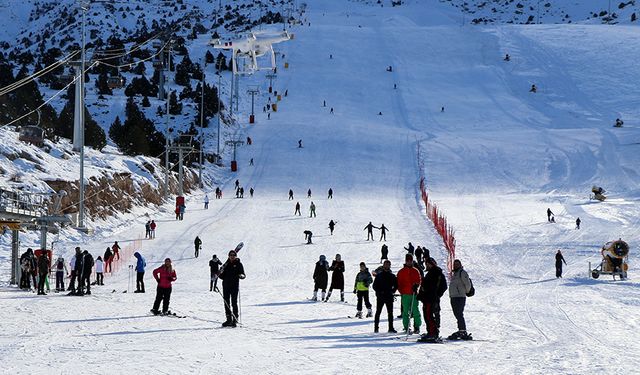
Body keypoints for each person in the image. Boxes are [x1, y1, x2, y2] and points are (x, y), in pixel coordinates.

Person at [417, 258, 448, 341]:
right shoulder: (430, 273)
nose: (427, 265)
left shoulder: (436, 273)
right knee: (427, 315)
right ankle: (431, 332)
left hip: (431, 298)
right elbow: (424, 286)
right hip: (427, 298)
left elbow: (443, 286)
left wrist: (437, 294)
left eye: (429, 264)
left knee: (430, 315)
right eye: (427, 264)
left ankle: (433, 333)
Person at [219, 250, 245, 327]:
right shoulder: (226, 265)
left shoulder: (239, 264)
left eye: (233, 255)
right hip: (226, 286)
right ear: (229, 256)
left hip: (234, 286)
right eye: (231, 255)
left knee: (234, 303)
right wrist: (221, 272)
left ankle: (235, 319)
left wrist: (241, 276)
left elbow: (242, 274)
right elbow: (221, 276)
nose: (232, 256)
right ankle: (228, 319)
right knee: (226, 303)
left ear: (235, 256)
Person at [397, 253, 422, 334]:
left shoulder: (415, 270)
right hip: (405, 294)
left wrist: (416, 286)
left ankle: (417, 326)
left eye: (410, 261)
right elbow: (399, 283)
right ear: (405, 261)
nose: (409, 262)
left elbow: (419, 280)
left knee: (415, 310)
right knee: (405, 312)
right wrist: (402, 291)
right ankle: (407, 326)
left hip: (414, 294)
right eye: (408, 261)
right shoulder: (401, 272)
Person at [448, 259, 472, 340]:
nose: (456, 265)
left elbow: (467, 283)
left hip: (459, 296)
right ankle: (461, 329)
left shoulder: (462, 272)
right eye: (455, 264)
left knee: (459, 313)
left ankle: (462, 330)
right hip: (454, 296)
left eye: (457, 264)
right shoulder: (455, 273)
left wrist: (466, 292)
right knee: (457, 313)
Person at [372, 260, 397, 333]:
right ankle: (376, 328)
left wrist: (393, 291)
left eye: (388, 265)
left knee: (390, 313)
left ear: (390, 266)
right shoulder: (379, 275)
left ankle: (391, 328)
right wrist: (379, 292)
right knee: (378, 312)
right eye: (385, 265)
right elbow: (374, 286)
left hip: (389, 296)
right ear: (383, 266)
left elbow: (396, 285)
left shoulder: (392, 276)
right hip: (380, 297)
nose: (387, 266)